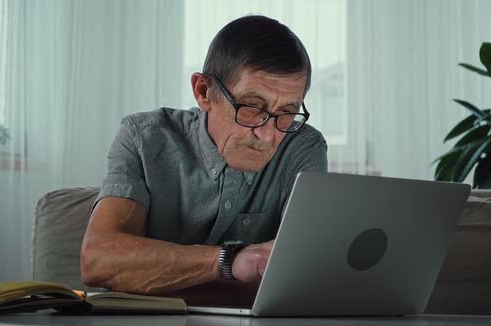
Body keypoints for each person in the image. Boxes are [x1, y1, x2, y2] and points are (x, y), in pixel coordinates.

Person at [80, 15, 328, 302]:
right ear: (204, 91)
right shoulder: (143, 138)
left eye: (286, 112)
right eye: (250, 107)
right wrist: (230, 263)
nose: (267, 134)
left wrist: (154, 276)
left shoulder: (304, 147)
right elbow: (98, 260)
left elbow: (302, 279)